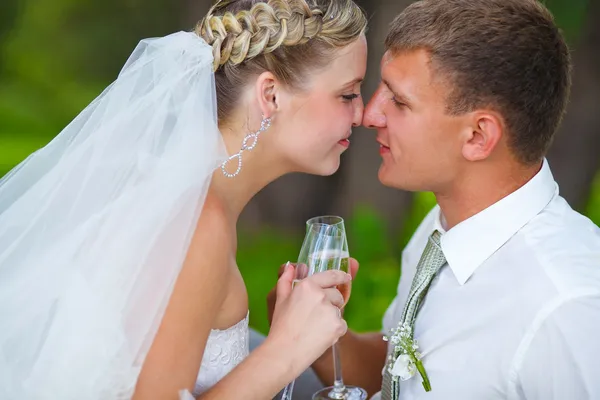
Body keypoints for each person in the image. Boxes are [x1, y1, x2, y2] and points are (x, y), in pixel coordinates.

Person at [0, 0, 368, 399]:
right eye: (347, 95)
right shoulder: (198, 225)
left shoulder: (198, 201)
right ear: (271, 95)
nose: (363, 114)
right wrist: (286, 350)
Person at [267, 0, 600, 399]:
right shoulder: (447, 226)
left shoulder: (567, 308)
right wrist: (312, 335)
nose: (370, 115)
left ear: (478, 137)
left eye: (400, 101)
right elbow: (396, 374)